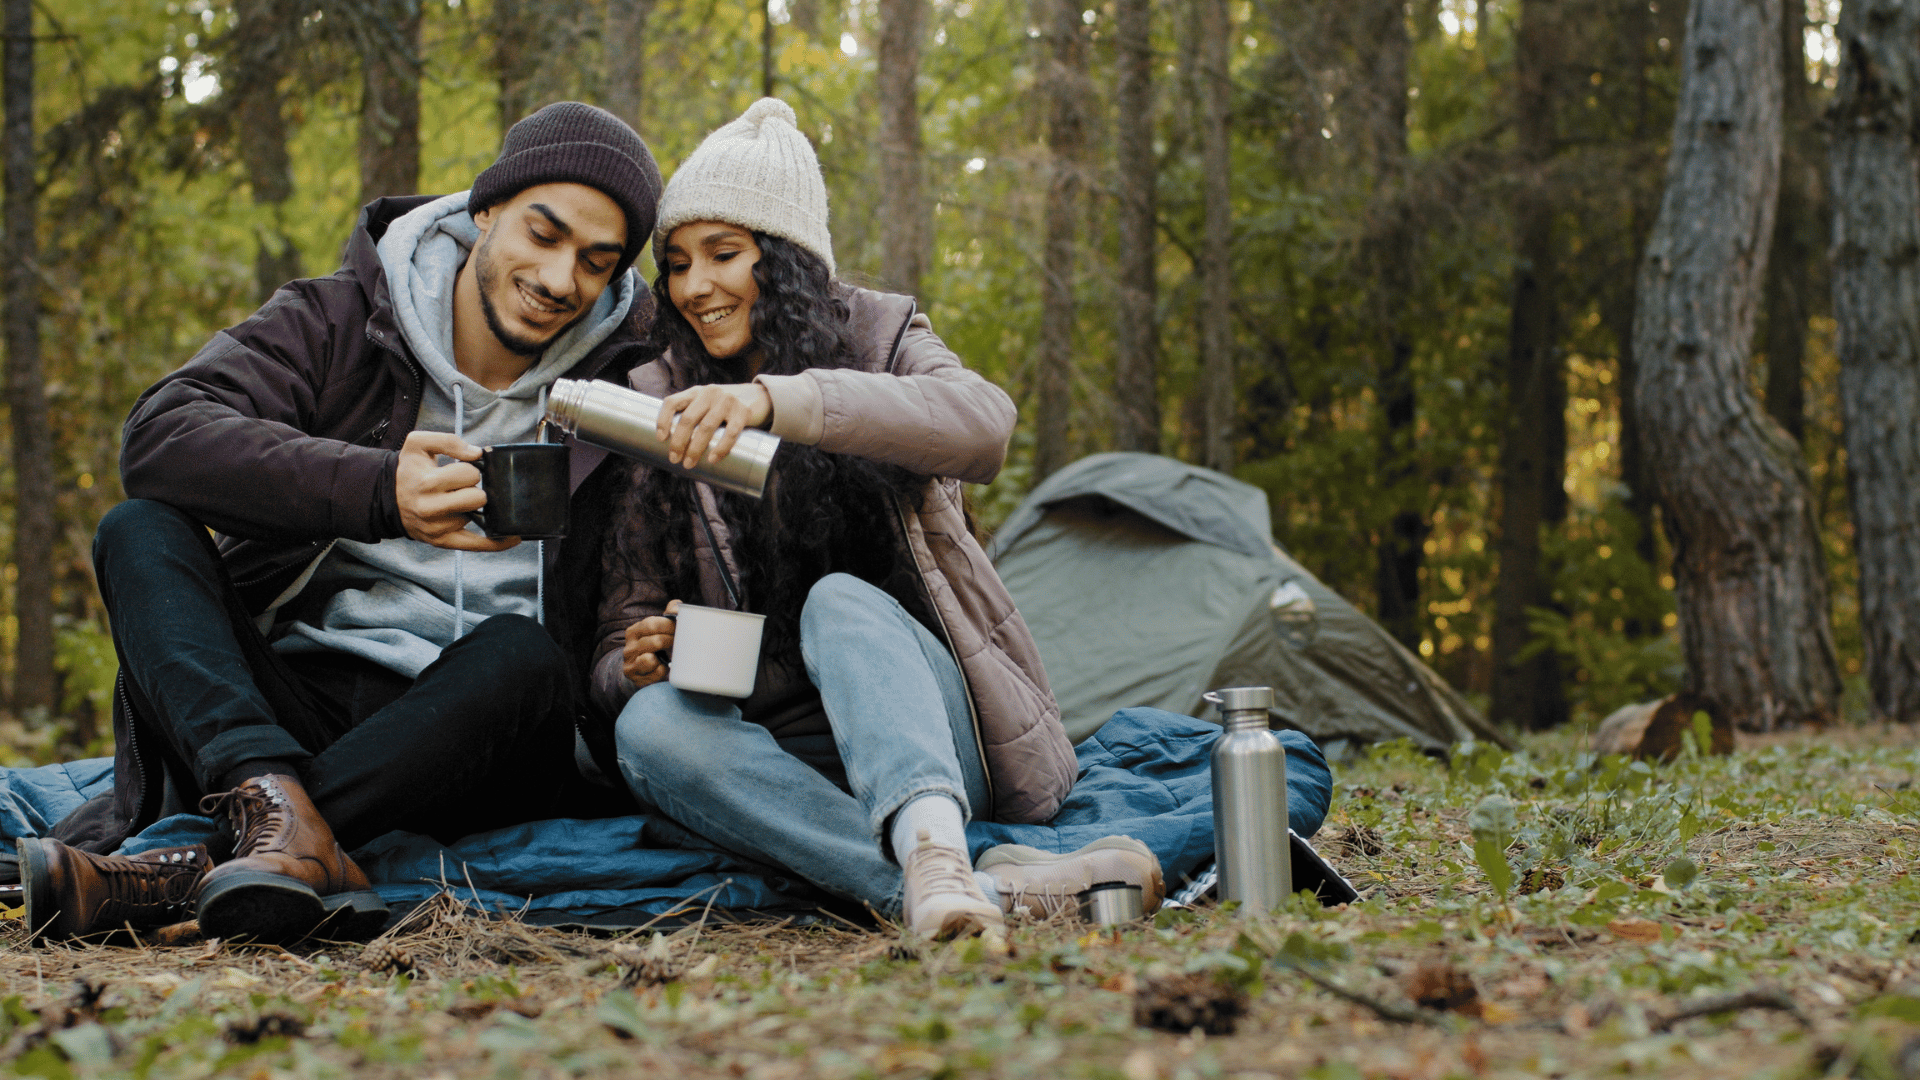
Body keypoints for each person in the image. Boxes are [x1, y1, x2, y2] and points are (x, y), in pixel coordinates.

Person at [20, 102, 663, 944]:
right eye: (543, 234)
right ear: (486, 211)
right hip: (284, 708)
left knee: (522, 655)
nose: (559, 277)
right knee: (138, 528)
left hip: (481, 734)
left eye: (595, 261)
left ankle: (188, 865)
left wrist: (643, 647)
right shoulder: (342, 319)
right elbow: (161, 435)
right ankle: (274, 813)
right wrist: (375, 488)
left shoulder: (628, 394)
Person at [588, 98, 1162, 940]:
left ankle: (933, 844)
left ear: (783, 261)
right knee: (649, 727)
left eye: (724, 254)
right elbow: (615, 635)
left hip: (929, 730)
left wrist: (776, 401)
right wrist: (634, 663)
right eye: (676, 264)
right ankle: (953, 889)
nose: (695, 286)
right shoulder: (656, 400)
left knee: (840, 602)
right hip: (783, 760)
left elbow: (983, 424)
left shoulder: (881, 334)